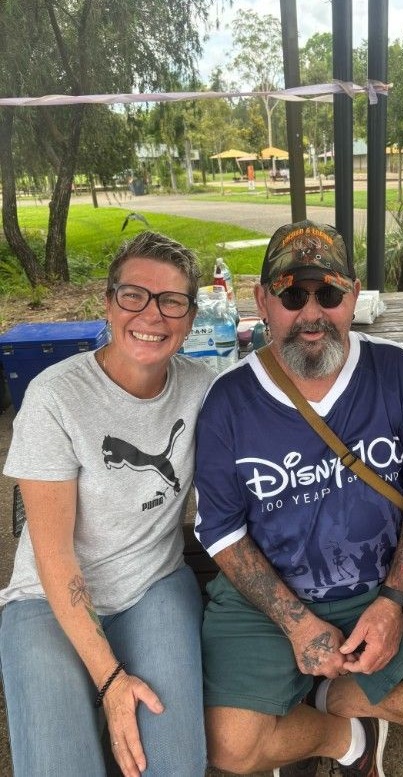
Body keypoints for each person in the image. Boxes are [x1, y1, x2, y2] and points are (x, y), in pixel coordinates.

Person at [194, 220, 403, 777]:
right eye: (291, 294)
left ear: (354, 297)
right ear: (262, 301)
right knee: (230, 748)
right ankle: (344, 737)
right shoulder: (228, 400)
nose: (311, 314)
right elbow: (219, 528)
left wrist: (392, 602)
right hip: (269, 600)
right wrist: (294, 623)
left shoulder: (395, 371)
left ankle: (324, 700)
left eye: (329, 293)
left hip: (384, 581)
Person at [0, 231, 215, 777]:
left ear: (190, 318)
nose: (152, 315)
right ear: (108, 302)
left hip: (153, 584)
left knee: (173, 766)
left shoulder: (203, 387)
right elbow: (52, 555)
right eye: (133, 295)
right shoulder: (56, 396)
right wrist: (111, 679)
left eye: (172, 301)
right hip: (48, 597)